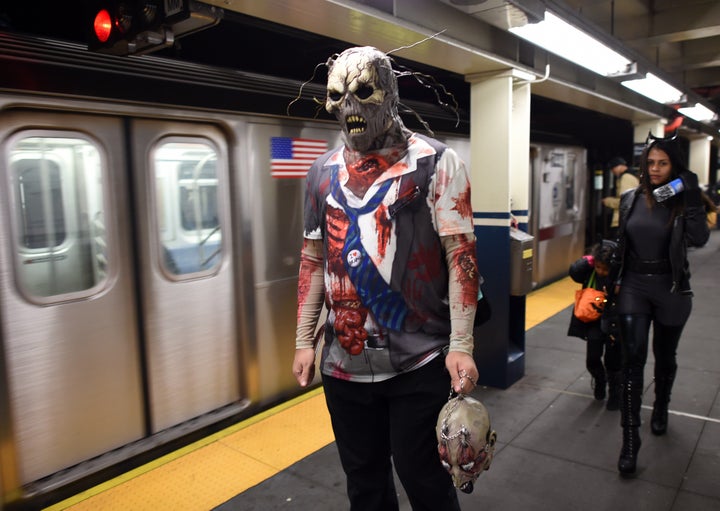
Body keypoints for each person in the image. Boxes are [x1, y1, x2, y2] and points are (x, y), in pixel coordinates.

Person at [292, 46, 480, 510]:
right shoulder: (320, 173)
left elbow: (461, 256)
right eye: (337, 97)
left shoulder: (437, 163)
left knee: (425, 480)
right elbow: (313, 258)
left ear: (390, 92)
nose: (349, 109)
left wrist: (462, 345)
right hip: (343, 364)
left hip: (419, 361)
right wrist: (303, 339)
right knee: (365, 484)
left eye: (363, 92)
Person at [611, 131, 709, 476]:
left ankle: (662, 406)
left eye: (662, 163)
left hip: (670, 287)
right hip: (634, 286)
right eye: (650, 163)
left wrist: (693, 193)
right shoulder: (630, 198)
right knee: (631, 362)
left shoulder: (682, 200)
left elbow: (699, 238)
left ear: (674, 166)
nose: (654, 169)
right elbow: (621, 241)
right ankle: (629, 440)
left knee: (665, 358)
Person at [567, 240, 622, 410]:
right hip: (594, 321)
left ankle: (614, 393)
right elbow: (574, 272)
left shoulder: (620, 276)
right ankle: (599, 379)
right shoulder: (590, 271)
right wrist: (588, 261)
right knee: (592, 358)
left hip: (615, 321)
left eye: (605, 269)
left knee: (614, 361)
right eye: (598, 267)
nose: (601, 272)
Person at [602, 156, 639, 239]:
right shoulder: (631, 176)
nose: (612, 172)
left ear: (618, 166)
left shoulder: (626, 178)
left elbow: (625, 202)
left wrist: (608, 201)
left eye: (613, 169)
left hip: (622, 220)